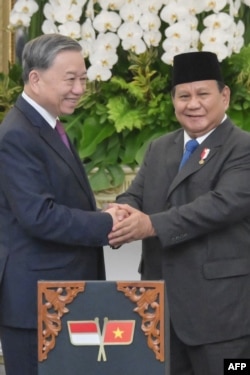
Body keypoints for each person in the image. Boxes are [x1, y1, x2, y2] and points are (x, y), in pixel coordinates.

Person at [109, 51, 250, 375]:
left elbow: (219, 206)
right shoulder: (160, 147)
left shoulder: (242, 147)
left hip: (223, 318)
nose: (193, 104)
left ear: (224, 96)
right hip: (161, 311)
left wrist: (149, 225)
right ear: (173, 100)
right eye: (184, 95)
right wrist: (119, 212)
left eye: (203, 94)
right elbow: (136, 194)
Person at [0, 34, 124, 375]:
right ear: (35, 78)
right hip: (37, 305)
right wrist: (106, 224)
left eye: (83, 79)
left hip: (59, 298)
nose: (80, 88)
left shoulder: (46, 125)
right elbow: (39, 216)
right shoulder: (18, 135)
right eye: (70, 79)